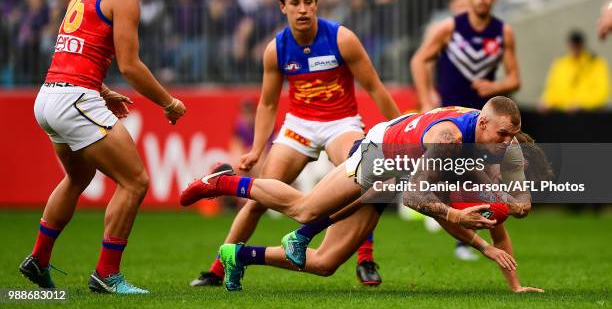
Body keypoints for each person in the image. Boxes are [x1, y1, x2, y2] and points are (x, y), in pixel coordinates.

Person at [189, 0, 400, 288]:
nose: (302, 9)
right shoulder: (276, 49)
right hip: (299, 126)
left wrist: (400, 133)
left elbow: (374, 87)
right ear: (282, 8)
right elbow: (268, 104)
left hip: (341, 124)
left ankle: (365, 259)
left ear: (317, 5)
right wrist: (257, 149)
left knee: (364, 175)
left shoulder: (342, 38)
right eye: (295, 3)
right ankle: (218, 267)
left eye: (308, 2)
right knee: (260, 196)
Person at [181, 97, 524, 290]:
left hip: (397, 170)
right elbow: (421, 200)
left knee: (326, 263)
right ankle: (223, 182)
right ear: (482, 124)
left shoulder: (484, 131)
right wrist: (461, 220)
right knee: (304, 208)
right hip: (376, 155)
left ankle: (238, 256)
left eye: (511, 137)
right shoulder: (448, 140)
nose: (506, 142)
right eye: (503, 135)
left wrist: (513, 283)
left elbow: (440, 201)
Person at [20, 0, 186, 294]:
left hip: (49, 96)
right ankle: (106, 274)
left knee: (77, 178)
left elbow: (74, 52)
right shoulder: (123, 0)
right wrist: (168, 102)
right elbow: (131, 66)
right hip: (76, 99)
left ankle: (38, 258)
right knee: (136, 181)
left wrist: (104, 90)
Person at [410, 0, 521, 260]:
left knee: (489, 186)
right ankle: (466, 238)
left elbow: (515, 78)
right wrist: (425, 98)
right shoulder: (448, 28)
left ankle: (499, 259)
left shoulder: (502, 32)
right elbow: (419, 59)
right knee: (451, 182)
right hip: (451, 123)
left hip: (486, 126)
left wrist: (495, 86)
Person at [539, 30, 609, 111]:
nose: (575, 47)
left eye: (577, 44)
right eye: (573, 44)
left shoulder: (596, 63)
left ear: (582, 44)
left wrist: (582, 103)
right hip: (561, 114)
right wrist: (547, 101)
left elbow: (602, 92)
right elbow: (551, 88)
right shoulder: (560, 63)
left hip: (588, 115)